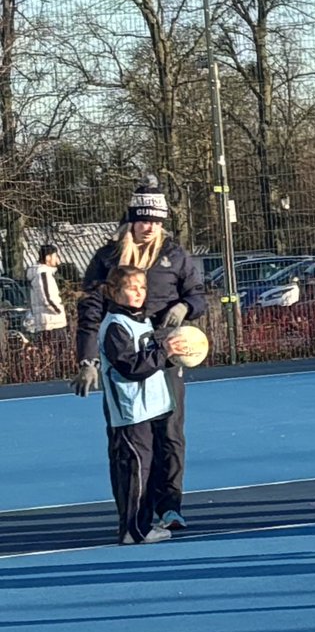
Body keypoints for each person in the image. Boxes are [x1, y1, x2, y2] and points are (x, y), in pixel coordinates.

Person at [74, 176, 207, 530]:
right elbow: (89, 311)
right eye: (144, 219)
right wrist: (87, 360)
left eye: (157, 221)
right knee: (129, 442)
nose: (150, 227)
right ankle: (135, 514)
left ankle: (170, 506)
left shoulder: (176, 256)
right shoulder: (108, 257)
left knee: (170, 435)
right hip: (123, 361)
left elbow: (198, 295)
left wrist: (185, 308)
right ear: (131, 219)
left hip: (167, 355)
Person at [98, 265, 188, 544]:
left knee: (148, 470)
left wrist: (172, 354)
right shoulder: (115, 325)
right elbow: (130, 366)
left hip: (149, 408)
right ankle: (132, 530)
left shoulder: (140, 320)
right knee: (134, 471)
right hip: (130, 412)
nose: (138, 293)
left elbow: (150, 357)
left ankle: (143, 524)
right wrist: (164, 352)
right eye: (131, 288)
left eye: (142, 288)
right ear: (115, 292)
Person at [24, 243, 68, 347]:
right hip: (51, 322)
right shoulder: (43, 273)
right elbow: (47, 298)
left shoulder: (43, 273)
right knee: (58, 354)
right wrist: (59, 310)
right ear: (48, 257)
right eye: (55, 256)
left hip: (48, 321)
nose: (58, 259)